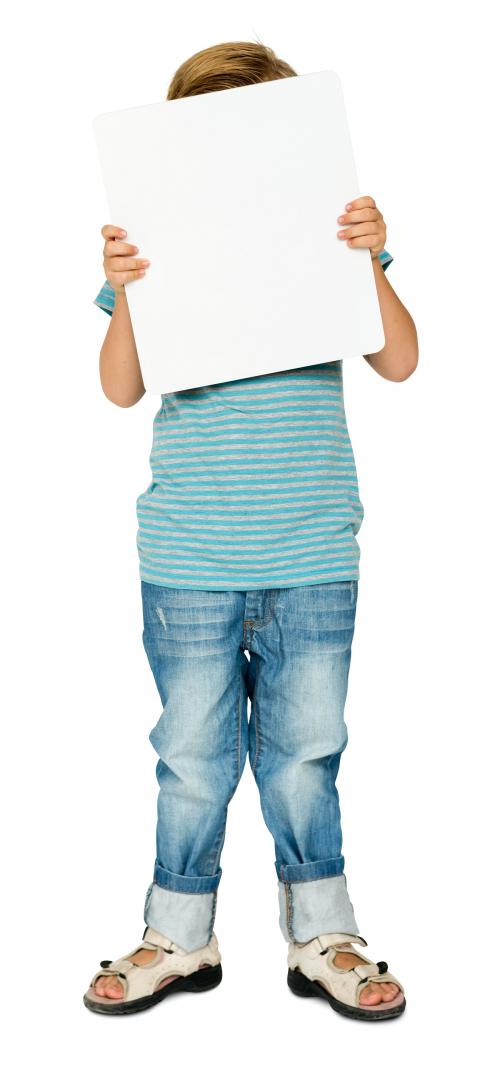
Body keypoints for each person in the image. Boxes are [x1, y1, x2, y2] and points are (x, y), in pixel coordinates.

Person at [84, 40, 418, 1021]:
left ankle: (322, 929)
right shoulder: (151, 246)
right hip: (189, 551)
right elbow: (117, 386)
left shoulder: (328, 230)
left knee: (305, 749)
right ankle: (179, 933)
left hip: (310, 545)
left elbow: (396, 357)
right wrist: (130, 288)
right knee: (190, 755)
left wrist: (367, 257)